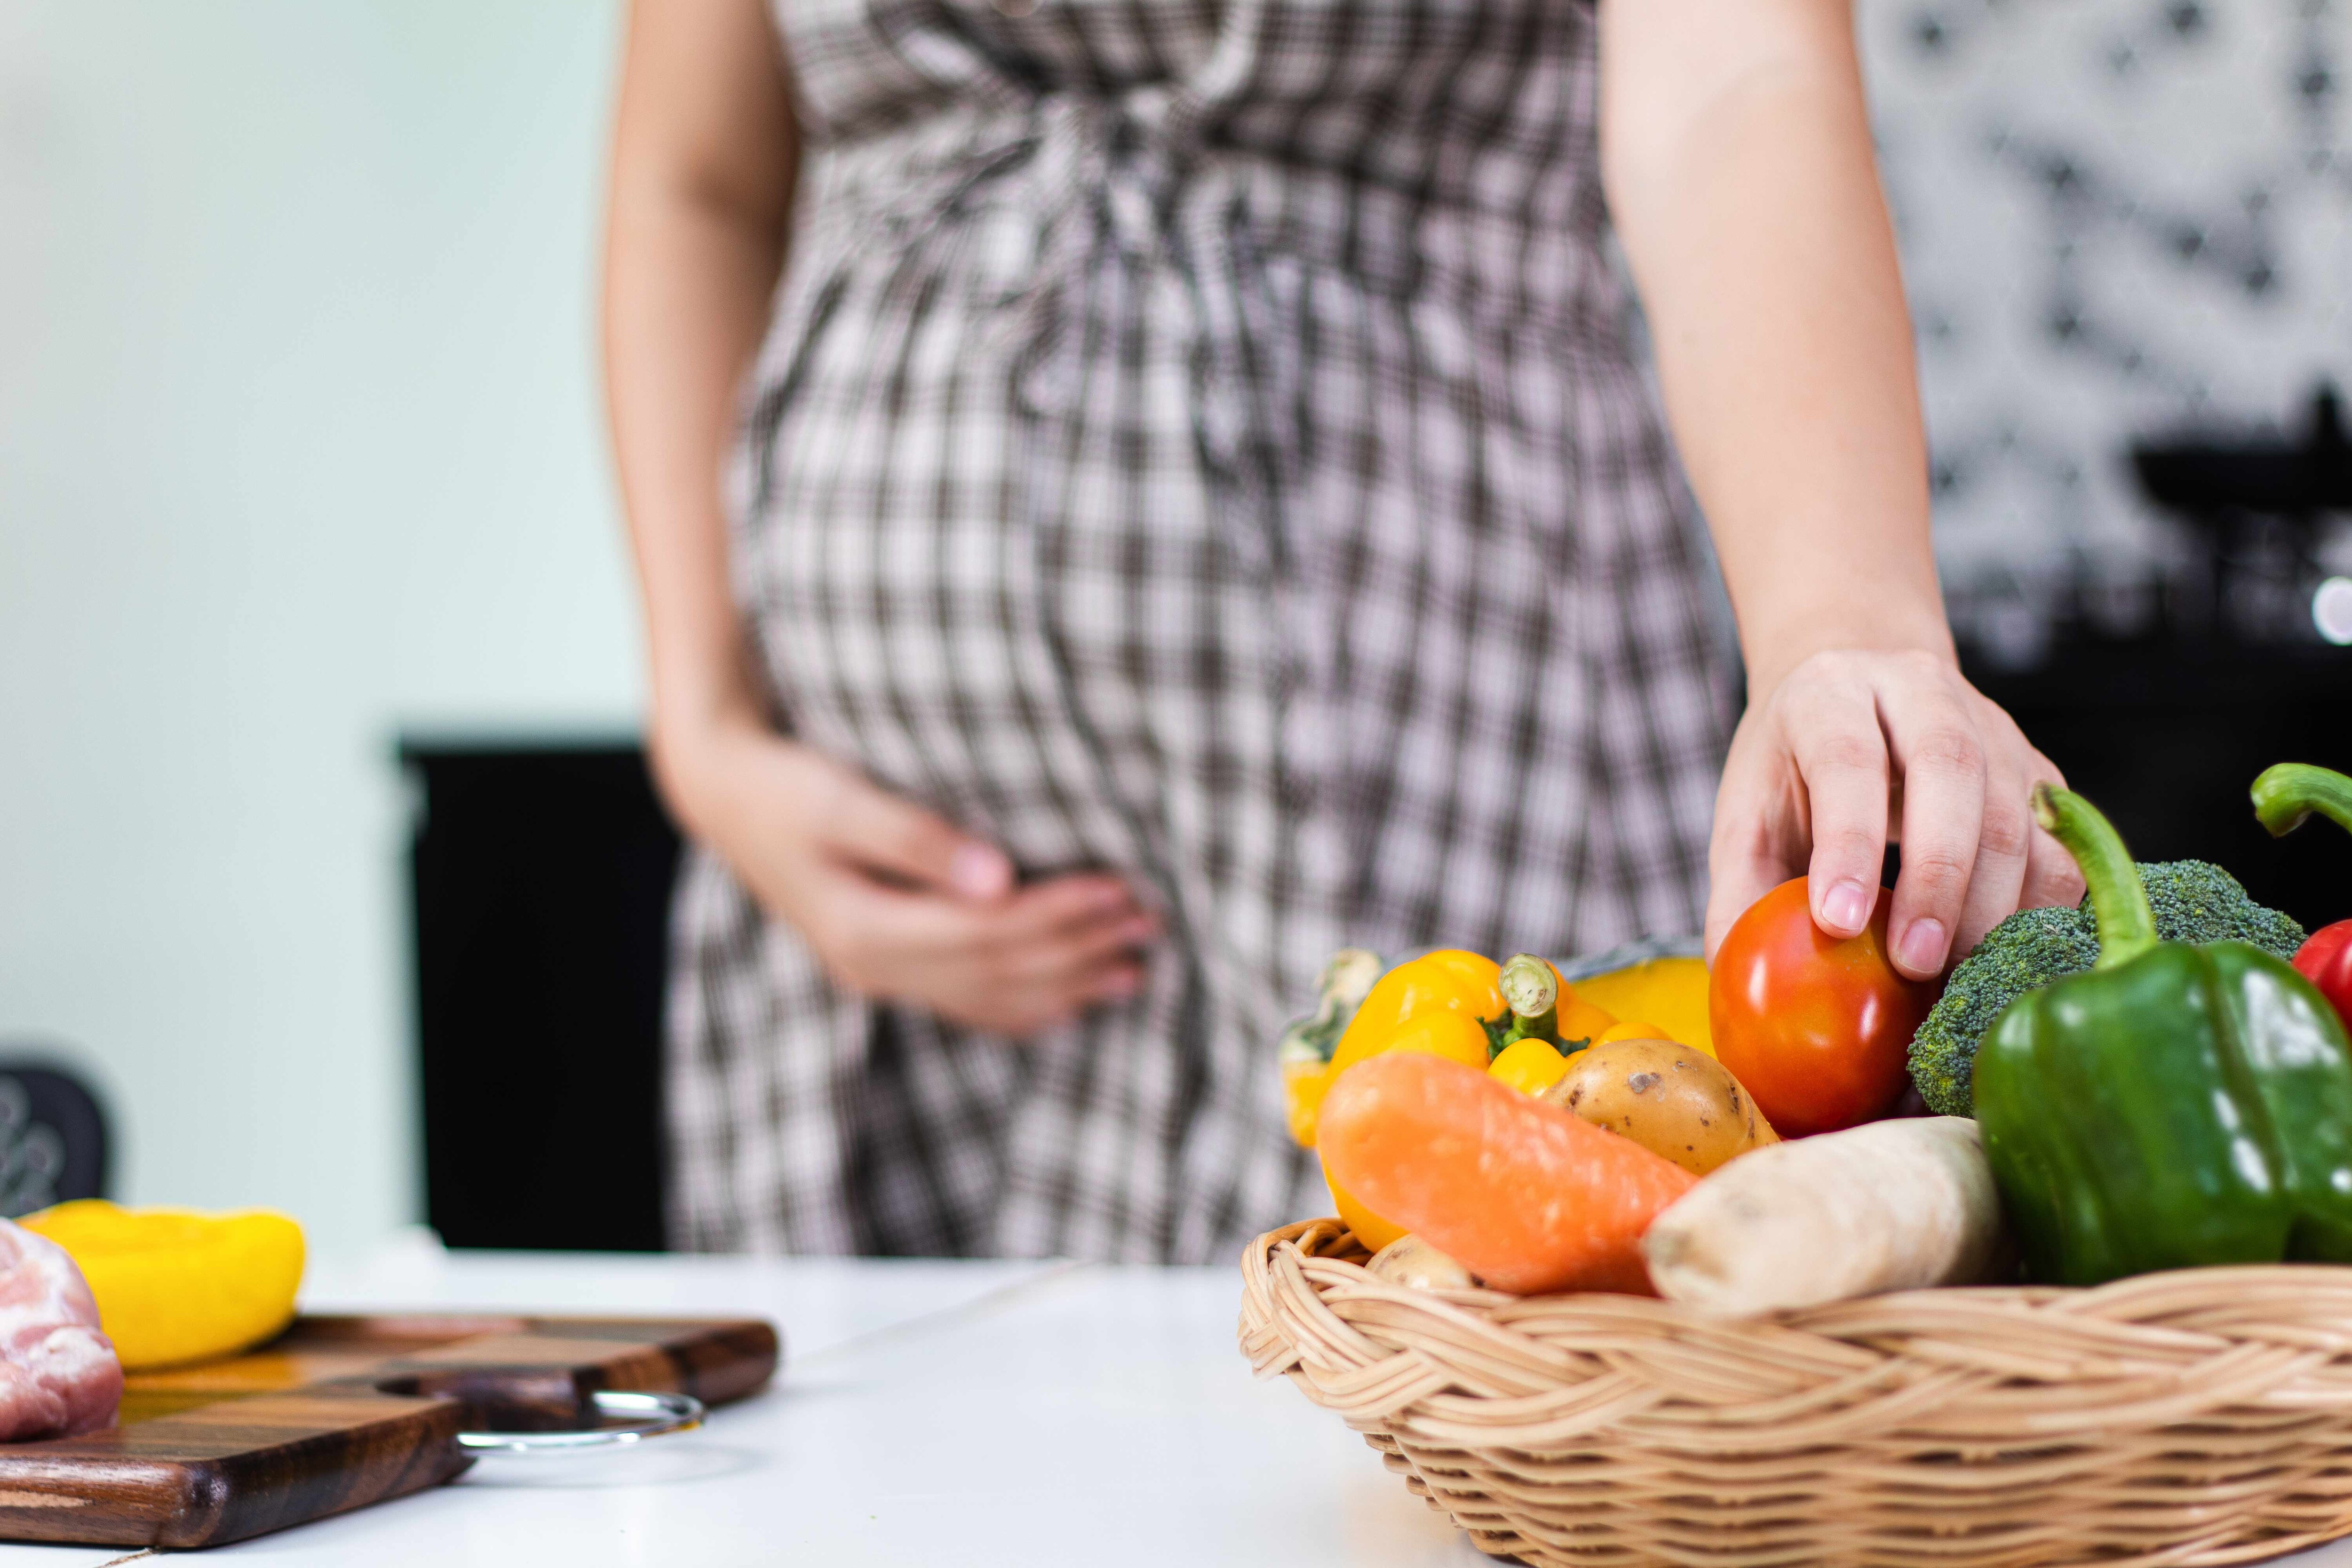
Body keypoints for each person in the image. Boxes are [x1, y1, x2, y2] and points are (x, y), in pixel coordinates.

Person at [602, 0, 2082, 1260]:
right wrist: (705, 726)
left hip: (1441, 775)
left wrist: (1841, 622)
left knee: (1455, 1419)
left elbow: (1731, 81)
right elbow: (698, 176)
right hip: (877, 944)